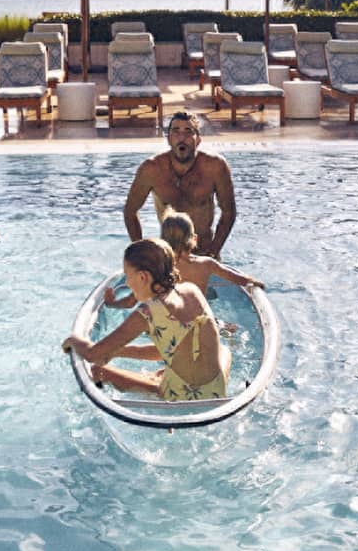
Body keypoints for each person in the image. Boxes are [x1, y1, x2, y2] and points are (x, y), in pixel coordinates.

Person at [63, 239, 231, 401]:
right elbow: (170, 346)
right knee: (222, 350)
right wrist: (117, 351)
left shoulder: (146, 313)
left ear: (143, 277)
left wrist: (73, 340)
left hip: (182, 397)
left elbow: (93, 355)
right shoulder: (192, 290)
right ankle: (167, 376)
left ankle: (163, 386)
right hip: (216, 389)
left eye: (128, 276)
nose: (128, 283)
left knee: (98, 371)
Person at [123, 112, 236, 258]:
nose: (182, 138)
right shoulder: (151, 169)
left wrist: (214, 251)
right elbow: (130, 211)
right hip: (168, 257)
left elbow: (229, 212)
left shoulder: (215, 167)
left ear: (198, 140)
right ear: (169, 139)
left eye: (188, 132)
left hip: (205, 253)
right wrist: (143, 252)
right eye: (176, 132)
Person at [104, 210, 263, 308]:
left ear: (162, 240)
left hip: (170, 323)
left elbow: (131, 301)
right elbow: (238, 279)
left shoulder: (159, 268)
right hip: (200, 320)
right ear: (194, 238)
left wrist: (112, 304)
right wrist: (254, 282)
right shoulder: (207, 264)